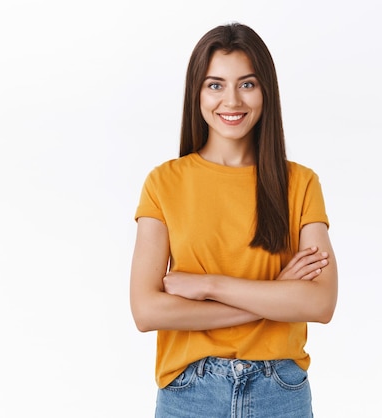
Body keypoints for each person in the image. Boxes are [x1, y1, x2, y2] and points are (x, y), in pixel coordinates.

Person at [129, 22, 337, 418]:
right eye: (215, 85)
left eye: (247, 84)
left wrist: (208, 285)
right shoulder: (164, 183)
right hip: (189, 392)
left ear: (265, 91)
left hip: (281, 391)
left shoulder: (301, 183)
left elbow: (320, 301)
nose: (231, 100)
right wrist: (274, 295)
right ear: (197, 92)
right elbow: (147, 311)